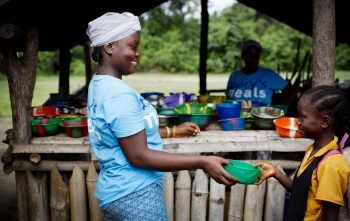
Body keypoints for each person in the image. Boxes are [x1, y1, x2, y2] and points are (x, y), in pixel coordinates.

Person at [86, 12, 239, 220]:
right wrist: (203, 161)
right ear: (109, 47)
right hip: (135, 195)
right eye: (133, 46)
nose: (138, 53)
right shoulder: (118, 94)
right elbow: (139, 155)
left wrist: (173, 131)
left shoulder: (99, 84)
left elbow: (126, 134)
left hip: (116, 190)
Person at [254, 85, 350, 220]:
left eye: (302, 116)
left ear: (324, 121)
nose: (298, 121)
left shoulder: (331, 165)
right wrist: (275, 172)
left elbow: (331, 217)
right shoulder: (312, 149)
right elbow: (301, 192)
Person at [225, 39, 295, 106]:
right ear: (243, 56)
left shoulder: (268, 75)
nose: (253, 57)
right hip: (235, 118)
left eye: (256, 54)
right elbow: (228, 99)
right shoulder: (234, 76)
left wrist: (282, 110)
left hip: (262, 117)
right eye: (250, 54)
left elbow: (293, 91)